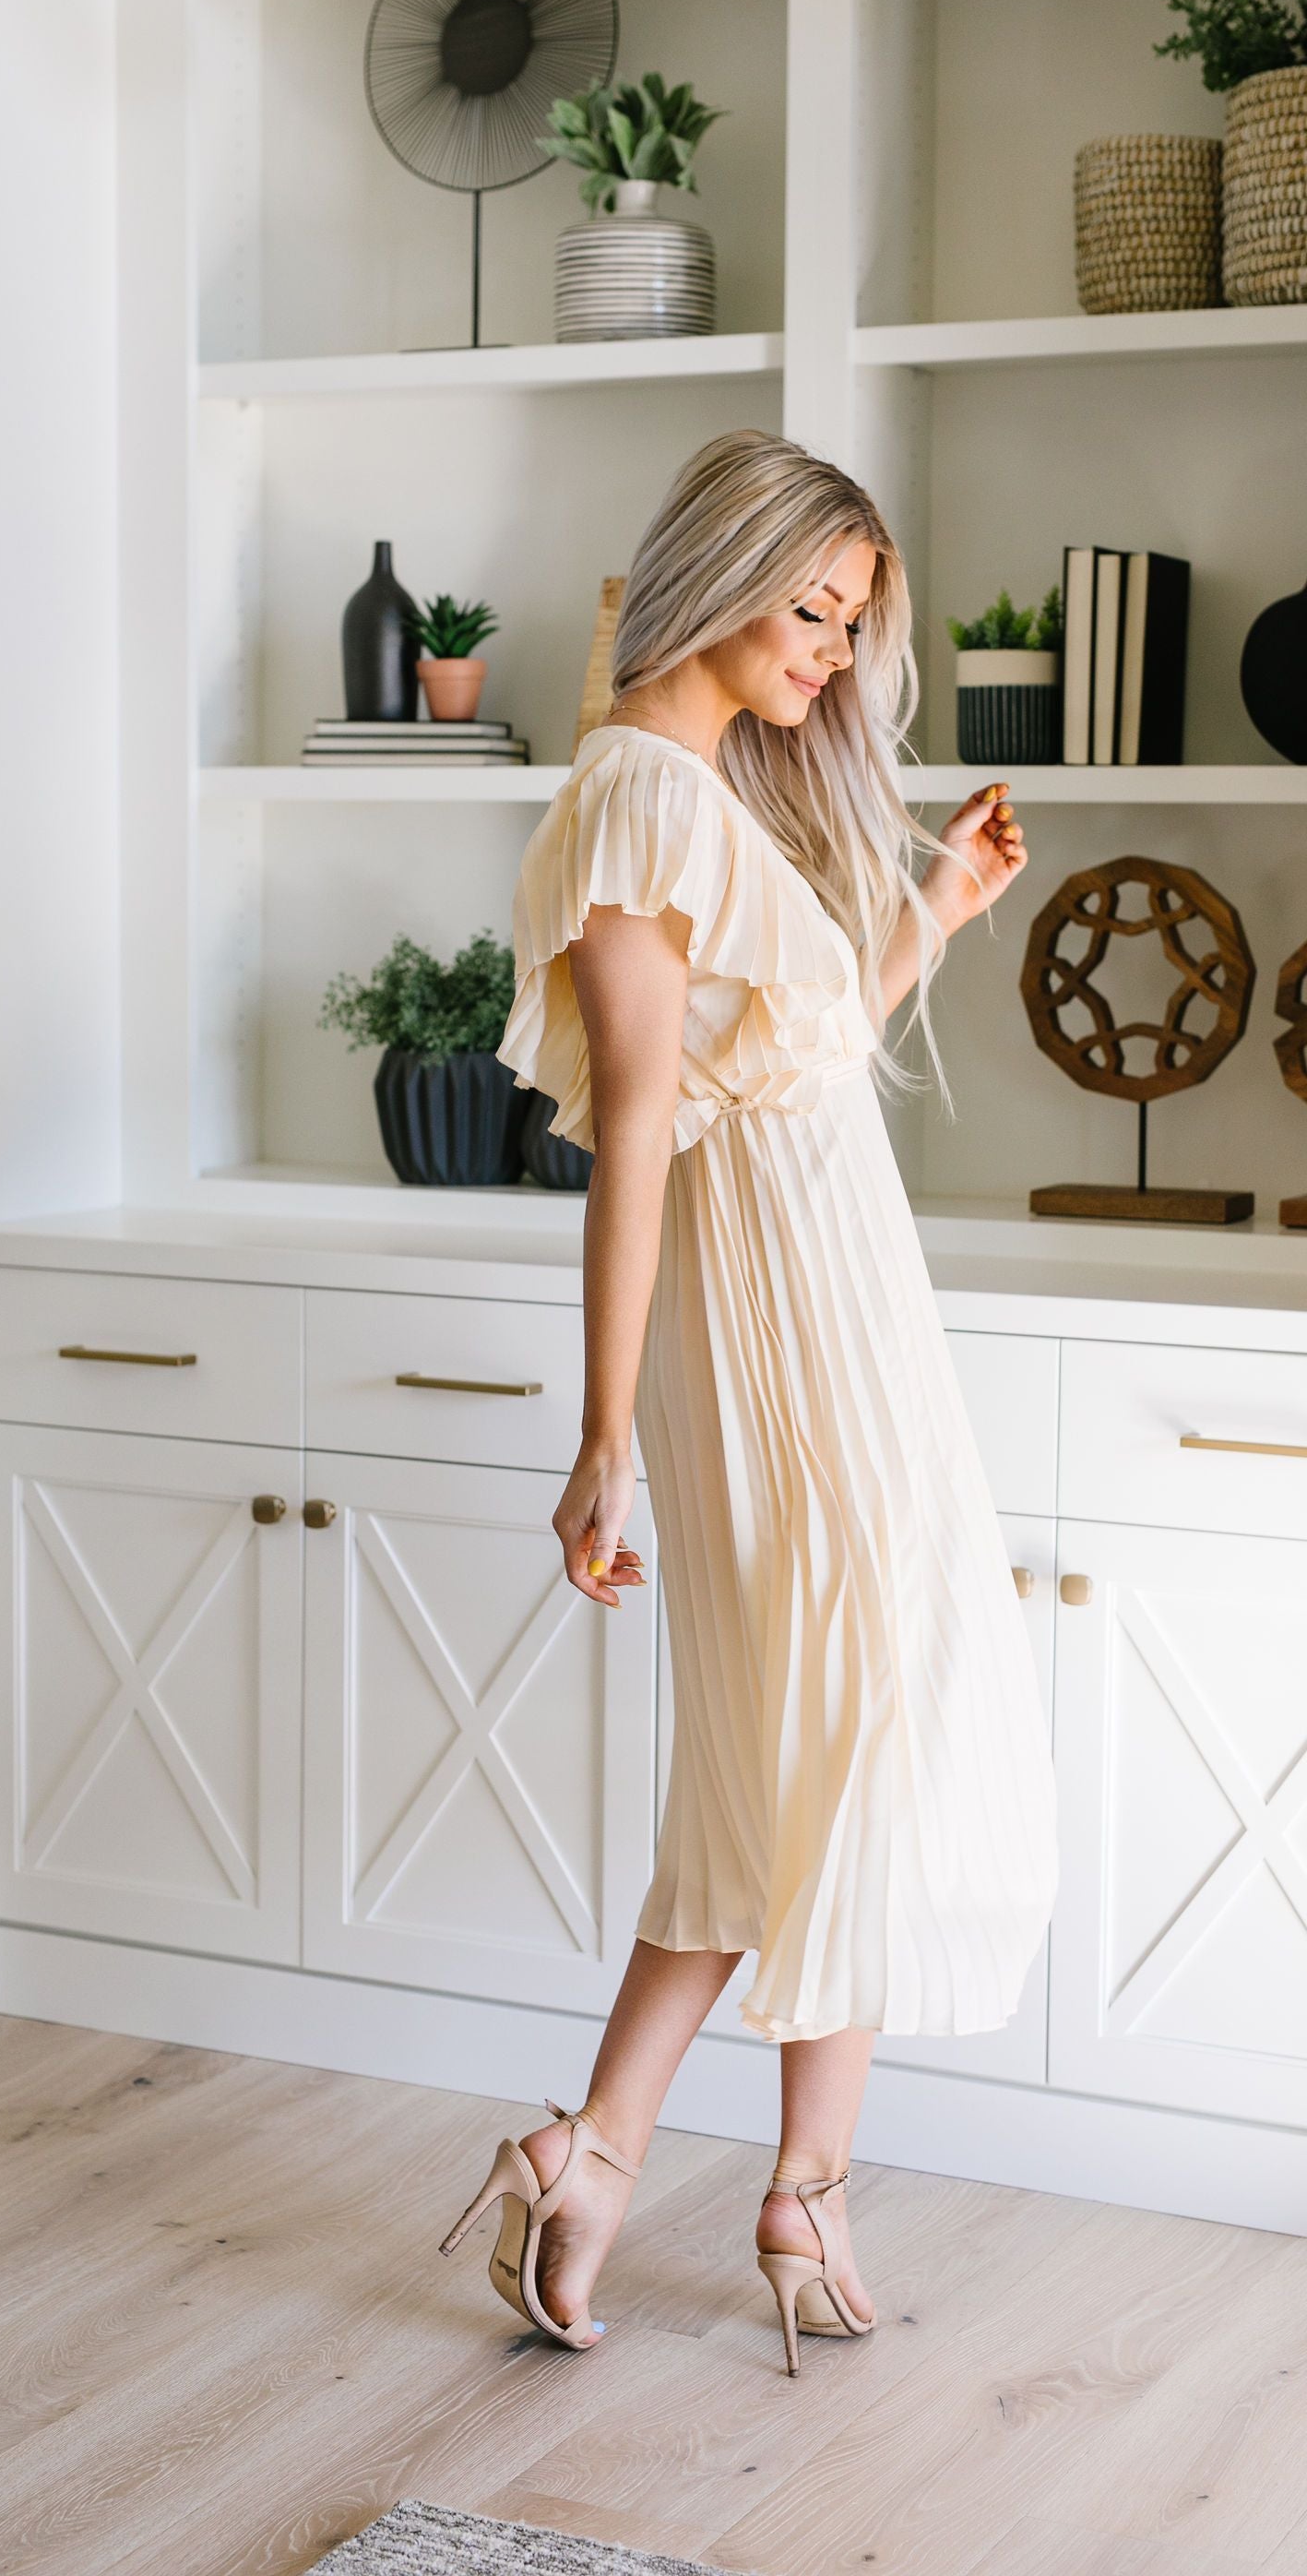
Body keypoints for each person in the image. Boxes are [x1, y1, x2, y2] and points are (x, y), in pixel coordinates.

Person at [438, 429, 1058, 2375]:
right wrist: (601, 1428)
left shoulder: (706, 796)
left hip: (843, 1307)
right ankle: (750, 2184)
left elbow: (774, 1073)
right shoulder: (631, 792)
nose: (831, 655)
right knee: (849, 1733)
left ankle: (616, 2166)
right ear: (718, 569)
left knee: (806, 1756)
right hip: (775, 1339)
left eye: (850, 626)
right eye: (811, 608)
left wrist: (930, 913)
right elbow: (634, 1134)